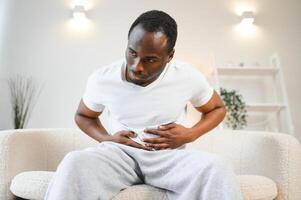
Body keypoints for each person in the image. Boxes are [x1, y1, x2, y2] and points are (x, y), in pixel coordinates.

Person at [45, 10, 243, 200]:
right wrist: (107, 138)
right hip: (119, 156)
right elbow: (83, 115)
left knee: (218, 166)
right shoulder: (102, 78)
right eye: (132, 53)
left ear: (170, 56)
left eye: (150, 60)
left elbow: (217, 108)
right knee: (74, 162)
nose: (137, 66)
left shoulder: (187, 75)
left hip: (169, 157)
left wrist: (190, 134)